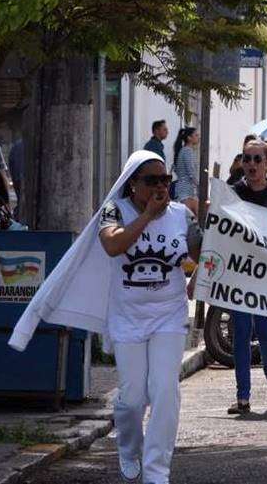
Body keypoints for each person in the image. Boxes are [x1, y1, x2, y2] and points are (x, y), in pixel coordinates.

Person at [99, 152, 202, 484]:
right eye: (152, 181)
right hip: (127, 318)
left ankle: (157, 472)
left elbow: (204, 252)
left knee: (164, 390)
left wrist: (201, 275)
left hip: (169, 317)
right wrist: (147, 216)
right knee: (132, 398)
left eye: (165, 180)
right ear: (133, 183)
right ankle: (129, 449)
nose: (160, 187)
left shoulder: (181, 214)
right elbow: (113, 245)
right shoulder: (115, 210)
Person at [227, 139, 267, 415]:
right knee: (240, 331)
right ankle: (243, 397)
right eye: (246, 158)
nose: (251, 164)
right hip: (240, 271)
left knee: (266, 327)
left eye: (257, 159)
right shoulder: (233, 193)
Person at [172, 127, 199, 213]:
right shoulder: (187, 151)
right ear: (189, 138)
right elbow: (191, 173)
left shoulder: (183, 151)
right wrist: (200, 185)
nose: (198, 137)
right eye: (196, 135)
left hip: (183, 191)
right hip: (186, 191)